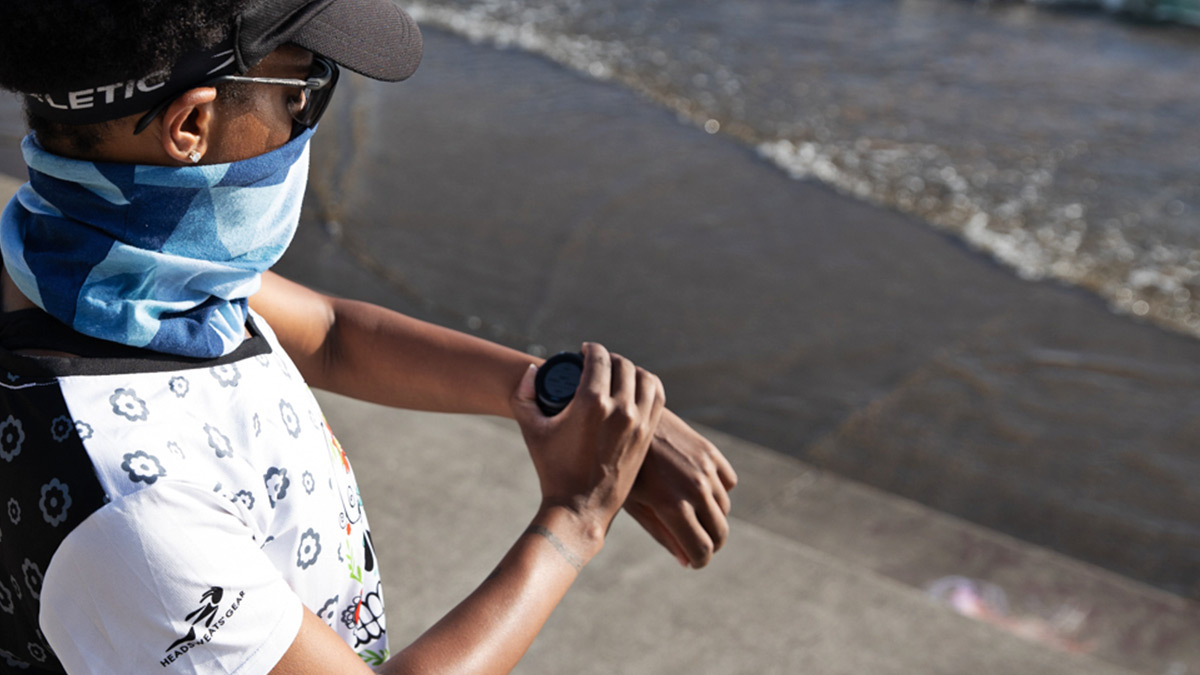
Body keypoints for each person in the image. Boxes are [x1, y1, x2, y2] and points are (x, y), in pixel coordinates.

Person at [0, 1, 738, 673]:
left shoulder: (96, 262)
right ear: (190, 126)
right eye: (302, 90)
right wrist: (573, 518)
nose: (305, 120)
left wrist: (560, 393)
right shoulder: (135, 510)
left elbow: (330, 334)